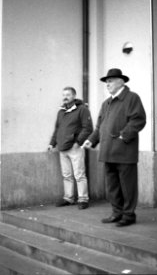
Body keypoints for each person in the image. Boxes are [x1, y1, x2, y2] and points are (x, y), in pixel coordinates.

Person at [82, 68, 146, 225]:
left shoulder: (132, 98)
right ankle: (117, 212)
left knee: (127, 186)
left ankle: (129, 215)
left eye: (110, 81)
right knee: (112, 187)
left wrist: (124, 135)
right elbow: (99, 126)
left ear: (121, 82)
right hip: (107, 151)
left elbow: (139, 119)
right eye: (106, 82)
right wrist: (92, 139)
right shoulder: (106, 103)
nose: (107, 84)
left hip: (124, 151)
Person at [48, 86, 93, 209]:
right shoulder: (61, 112)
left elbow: (88, 128)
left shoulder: (82, 109)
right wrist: (52, 143)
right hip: (62, 148)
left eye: (68, 95)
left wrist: (78, 142)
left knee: (79, 175)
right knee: (66, 175)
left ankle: (83, 199)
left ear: (74, 96)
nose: (65, 97)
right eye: (63, 95)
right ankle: (68, 198)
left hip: (75, 147)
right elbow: (57, 129)